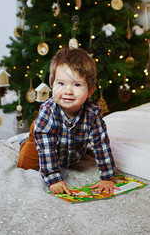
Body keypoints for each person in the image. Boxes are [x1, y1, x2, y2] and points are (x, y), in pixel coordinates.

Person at [18, 48, 119, 195]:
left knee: (85, 147)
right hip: (45, 138)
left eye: (77, 85)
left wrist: (107, 176)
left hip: (69, 150)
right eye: (61, 84)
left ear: (90, 91)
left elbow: (101, 145)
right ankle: (33, 136)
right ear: (52, 85)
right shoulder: (48, 111)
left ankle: (39, 132)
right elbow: (47, 151)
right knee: (26, 166)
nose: (68, 91)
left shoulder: (93, 113)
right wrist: (54, 180)